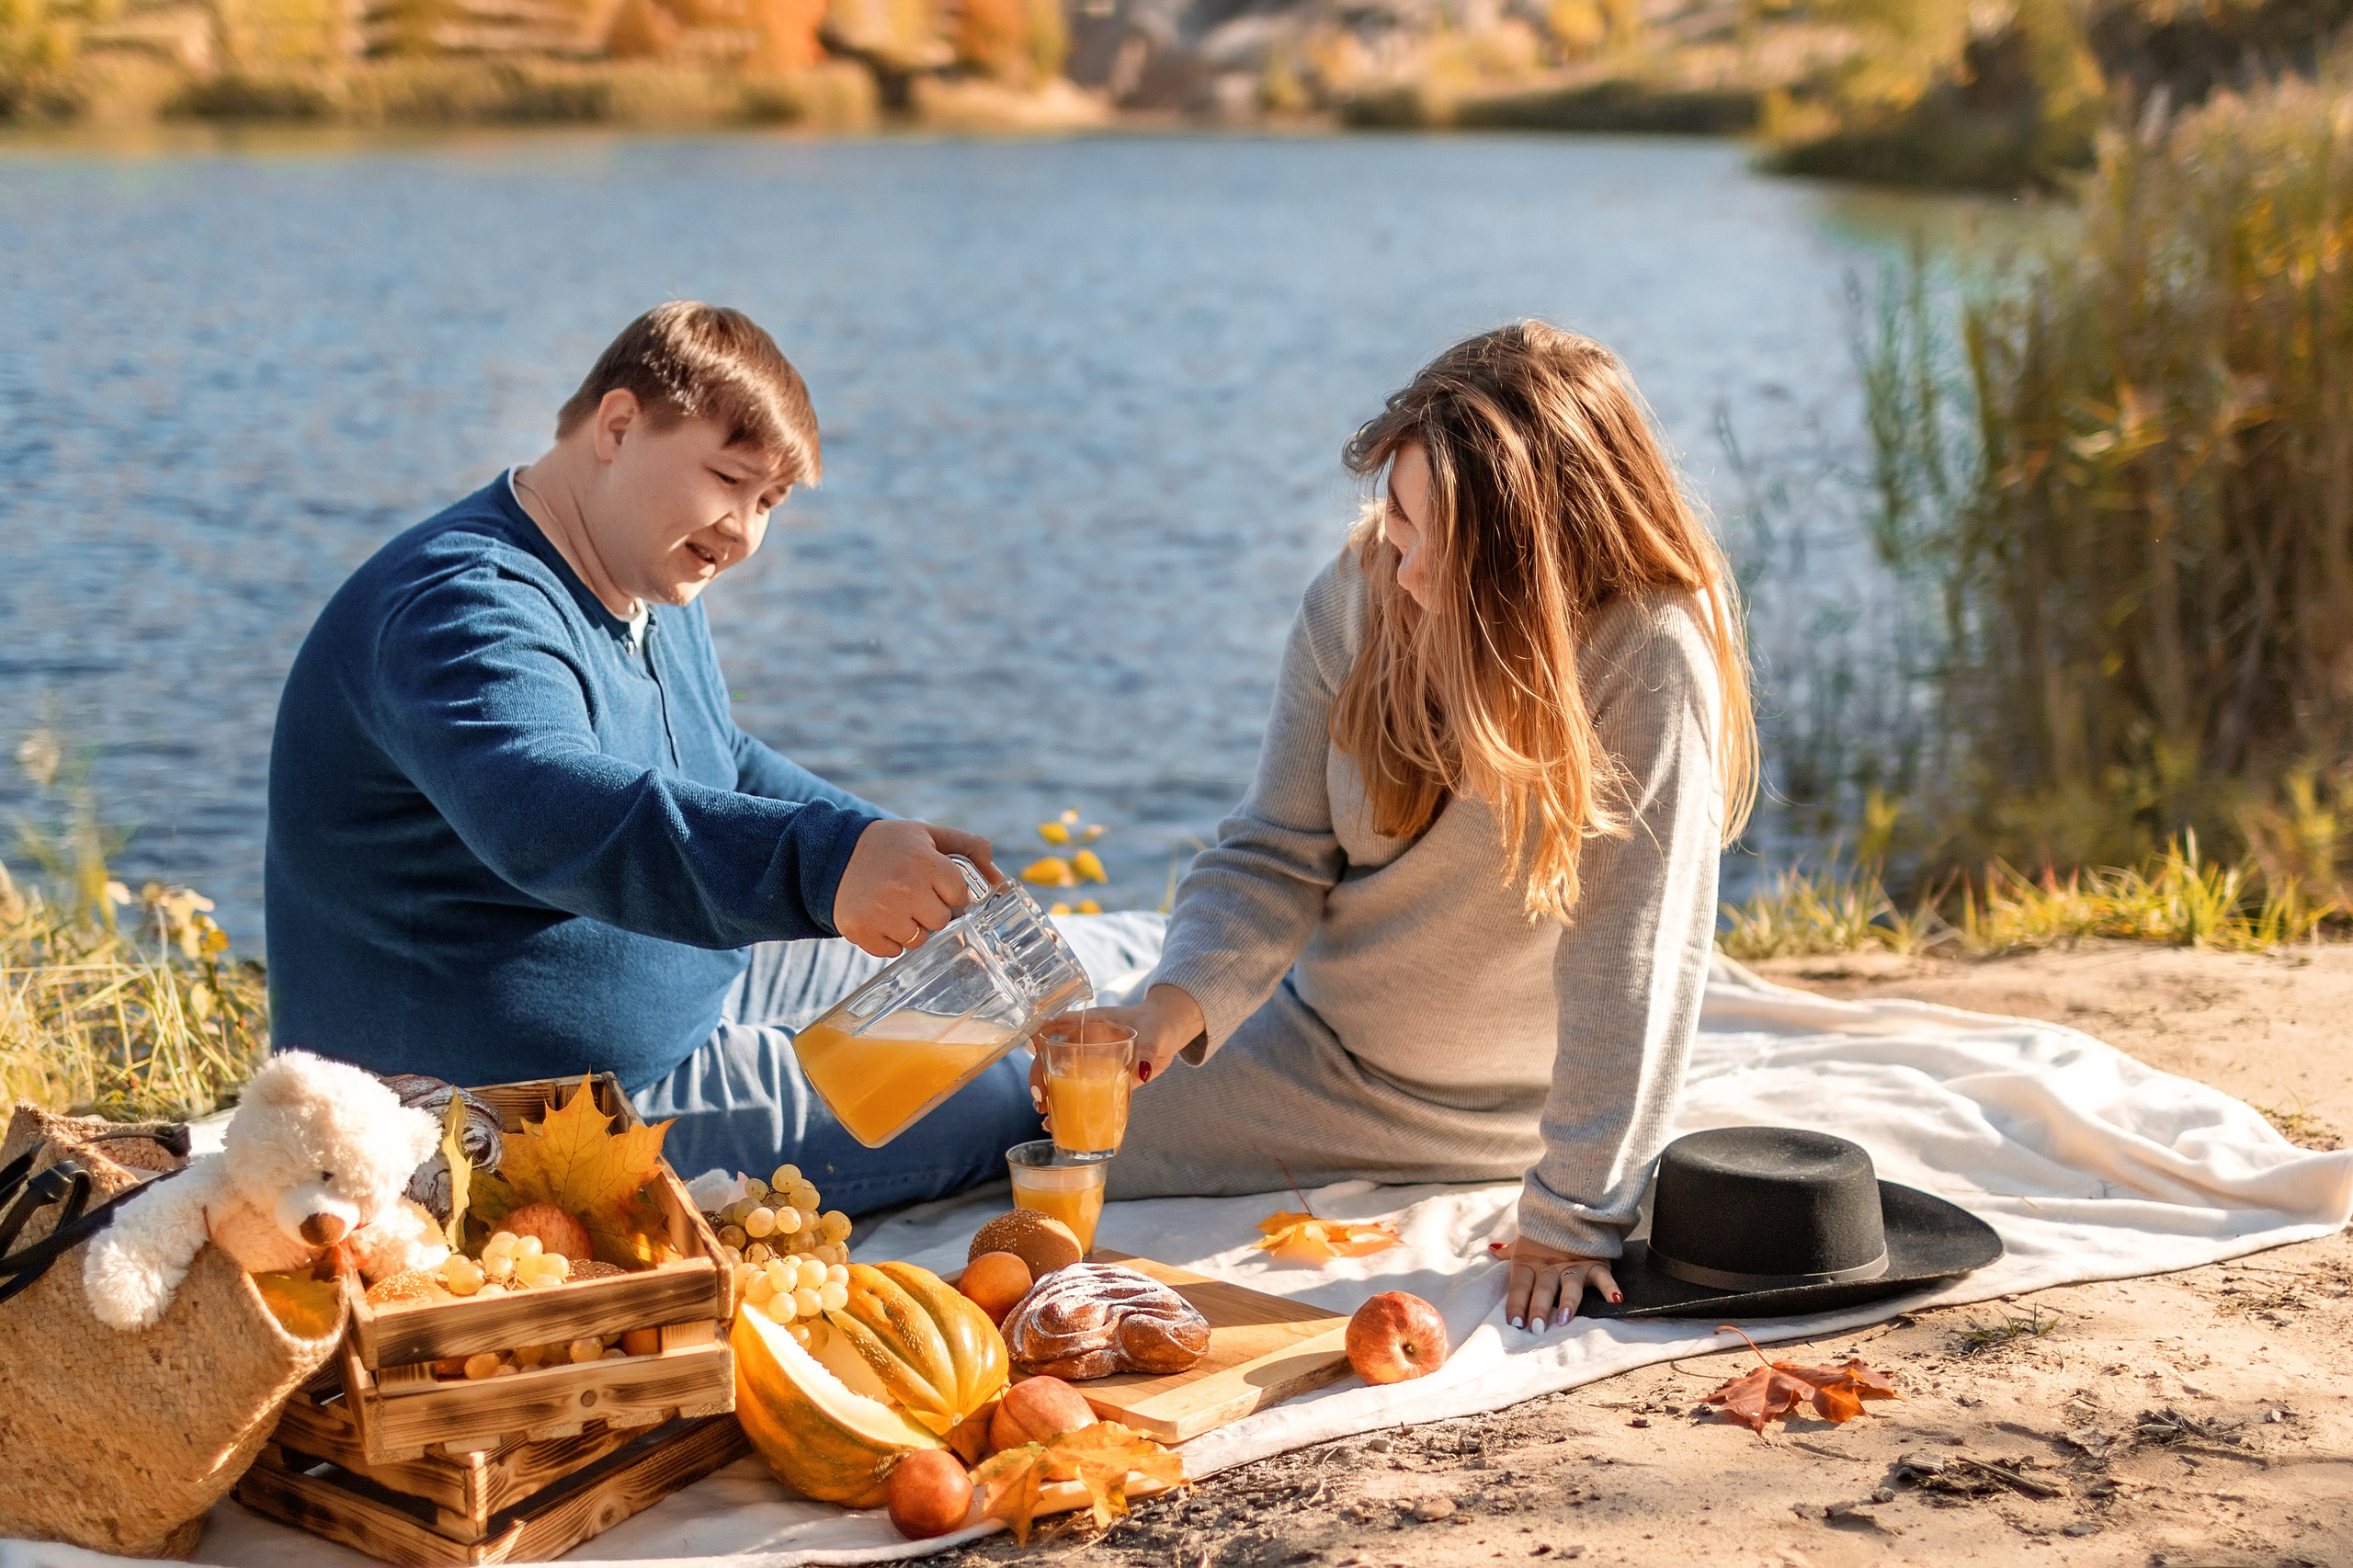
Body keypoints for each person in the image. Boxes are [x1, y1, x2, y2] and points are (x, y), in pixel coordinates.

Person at [266, 301, 1137, 1212]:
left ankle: (1252, 972)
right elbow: (549, 808)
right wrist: (822, 866)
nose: (744, 531)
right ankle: (1268, 1083)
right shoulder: (463, 607)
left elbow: (716, 760)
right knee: (1032, 1092)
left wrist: (868, 837)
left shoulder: (644, 574)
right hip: (539, 1111)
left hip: (704, 972)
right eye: (728, 479)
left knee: (1078, 956)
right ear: (616, 425)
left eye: (769, 501)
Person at [1068, 322, 1757, 1334]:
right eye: (1396, 517)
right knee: (1030, 1041)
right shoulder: (1360, 594)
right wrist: (1171, 1009)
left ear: (1539, 553)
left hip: (1452, 1108)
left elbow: (1636, 958)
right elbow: (1274, 849)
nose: (1401, 564)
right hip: (1310, 1023)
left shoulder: (1649, 651)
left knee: (993, 1113)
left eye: (1440, 539)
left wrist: (1573, 1213)